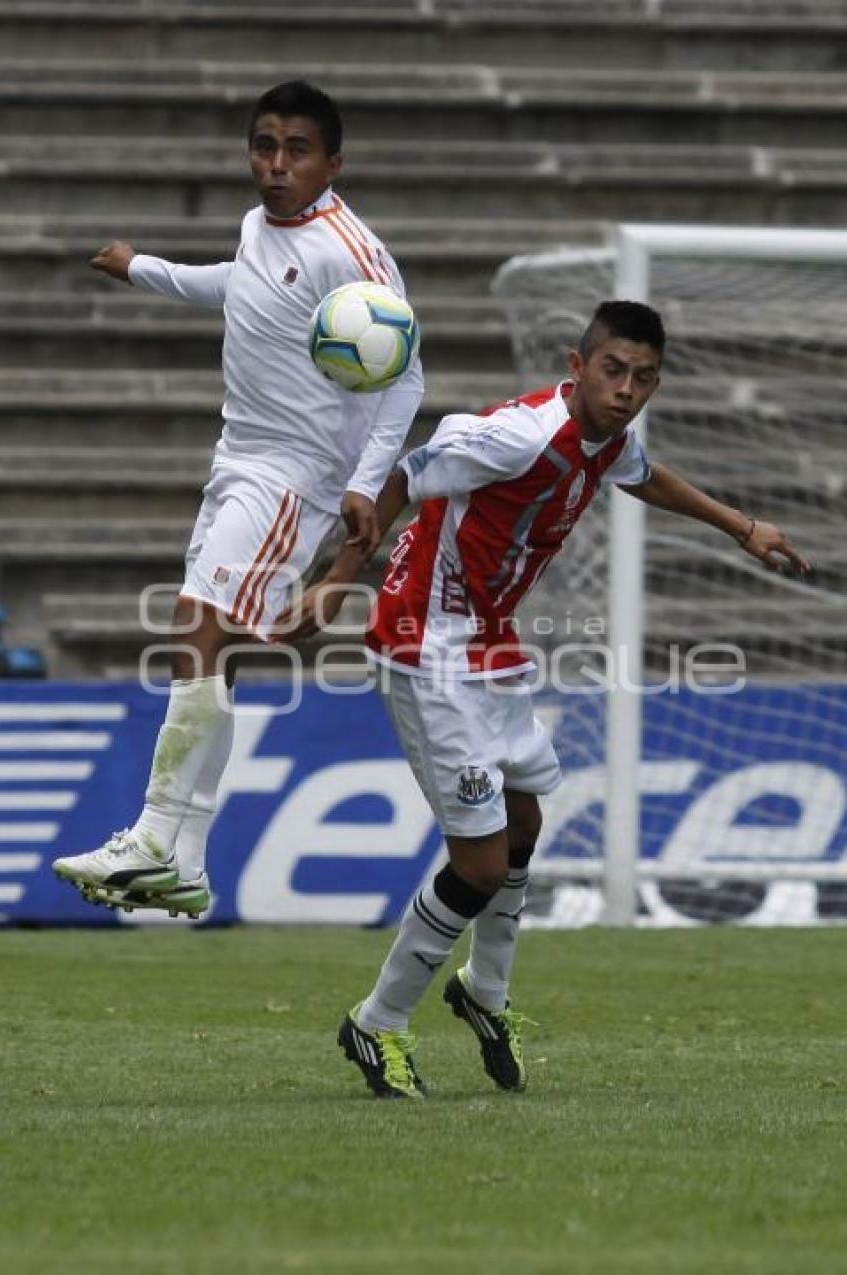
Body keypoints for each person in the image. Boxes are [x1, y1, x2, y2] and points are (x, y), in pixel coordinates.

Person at [285, 299, 811, 1098]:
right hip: (425, 645)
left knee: (525, 816)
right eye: (613, 370)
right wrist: (334, 582)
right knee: (482, 859)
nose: (627, 389)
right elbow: (403, 474)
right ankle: (376, 1021)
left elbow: (642, 473)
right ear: (577, 364)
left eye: (644, 378)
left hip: (489, 641)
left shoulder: (605, 440)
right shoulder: (516, 435)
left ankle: (484, 994)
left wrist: (741, 526)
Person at [52, 80, 424, 918]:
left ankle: (155, 833)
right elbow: (241, 285)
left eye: (296, 150)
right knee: (203, 641)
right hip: (238, 462)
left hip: (294, 475)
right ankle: (183, 858)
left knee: (197, 625)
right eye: (264, 145)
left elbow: (408, 378)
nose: (276, 165)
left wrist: (365, 484)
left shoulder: (351, 252)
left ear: (334, 161)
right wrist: (139, 268)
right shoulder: (262, 226)